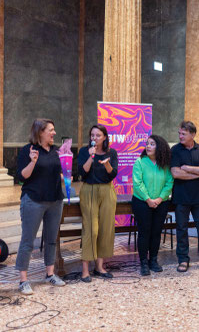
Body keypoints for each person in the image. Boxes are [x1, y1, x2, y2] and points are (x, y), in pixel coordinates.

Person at [15, 119, 66, 295]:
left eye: (53, 130)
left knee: (51, 239)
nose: (54, 133)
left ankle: (50, 274)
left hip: (55, 200)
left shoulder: (55, 151)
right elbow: (22, 176)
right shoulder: (28, 150)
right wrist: (32, 162)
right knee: (28, 241)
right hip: (33, 200)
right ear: (40, 132)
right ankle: (23, 280)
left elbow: (55, 172)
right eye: (50, 130)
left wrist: (63, 178)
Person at [170, 121, 199, 272]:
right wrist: (198, 172)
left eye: (183, 133)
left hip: (198, 197)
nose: (180, 136)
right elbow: (176, 173)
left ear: (193, 134)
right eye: (179, 133)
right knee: (181, 229)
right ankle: (183, 259)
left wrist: (188, 169)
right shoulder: (175, 150)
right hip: (181, 197)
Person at [78, 124, 118, 281]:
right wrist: (91, 157)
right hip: (89, 191)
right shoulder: (84, 151)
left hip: (107, 191)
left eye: (98, 135)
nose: (94, 138)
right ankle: (85, 270)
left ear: (105, 138)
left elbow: (112, 174)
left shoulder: (112, 153)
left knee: (105, 229)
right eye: (92, 135)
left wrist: (106, 163)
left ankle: (99, 267)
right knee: (91, 230)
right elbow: (82, 172)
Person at [132, 135, 174, 276]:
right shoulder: (140, 162)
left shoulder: (165, 164)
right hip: (142, 202)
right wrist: (148, 199)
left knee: (156, 232)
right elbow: (137, 184)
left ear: (159, 147)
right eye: (147, 144)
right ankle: (143, 262)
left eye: (152, 144)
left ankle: (153, 261)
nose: (148, 146)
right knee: (144, 233)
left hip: (161, 203)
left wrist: (160, 199)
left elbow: (169, 182)